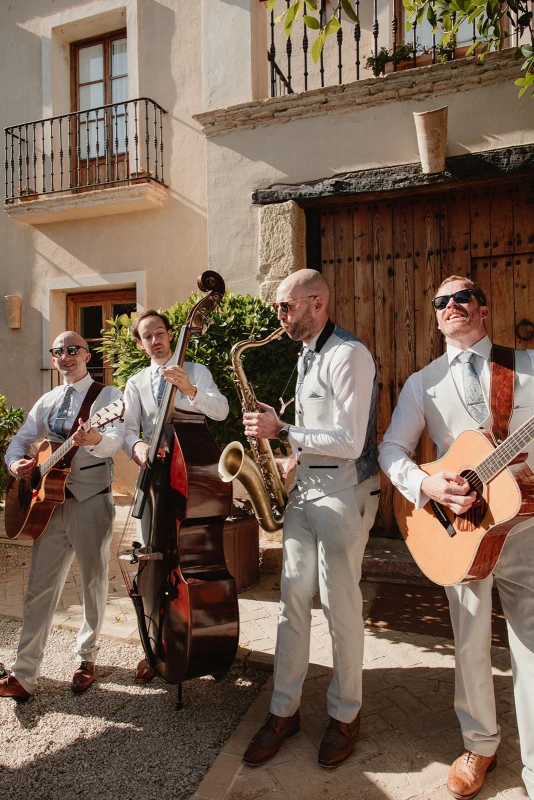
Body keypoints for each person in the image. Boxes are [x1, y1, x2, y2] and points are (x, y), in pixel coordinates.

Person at [379, 276, 534, 800]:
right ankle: (479, 744)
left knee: (532, 645)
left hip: (525, 524)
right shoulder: (421, 383)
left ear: (483, 309)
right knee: (468, 641)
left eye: (462, 297)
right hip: (459, 532)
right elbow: (391, 450)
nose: (450, 306)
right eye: (440, 301)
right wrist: (426, 485)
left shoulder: (528, 366)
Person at [241, 269, 381, 769]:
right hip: (307, 491)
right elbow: (317, 431)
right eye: (279, 307)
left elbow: (350, 442)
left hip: (345, 491)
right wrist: (291, 458)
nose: (279, 315)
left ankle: (346, 715)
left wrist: (283, 430)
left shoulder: (349, 355)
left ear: (317, 303)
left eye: (286, 306)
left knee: (341, 608)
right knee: (291, 603)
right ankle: (284, 711)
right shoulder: (306, 354)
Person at [1, 332, 124, 702]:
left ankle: (87, 658)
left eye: (73, 350)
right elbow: (20, 441)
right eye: (58, 352)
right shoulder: (49, 399)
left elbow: (115, 442)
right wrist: (16, 464)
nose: (66, 356)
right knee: (38, 587)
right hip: (47, 507)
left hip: (92, 501)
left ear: (87, 355)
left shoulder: (109, 397)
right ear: (53, 359)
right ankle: (24, 674)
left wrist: (94, 440)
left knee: (93, 583)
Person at [122, 309, 229, 683]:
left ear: (170, 334)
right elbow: (127, 430)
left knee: (195, 560)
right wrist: (136, 445)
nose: (155, 340)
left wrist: (191, 390)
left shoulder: (195, 371)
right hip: (154, 480)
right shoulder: (136, 382)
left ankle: (206, 639)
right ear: (140, 344)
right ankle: (154, 647)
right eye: (147, 336)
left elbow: (221, 411)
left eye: (159, 332)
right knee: (154, 562)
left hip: (190, 479)